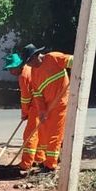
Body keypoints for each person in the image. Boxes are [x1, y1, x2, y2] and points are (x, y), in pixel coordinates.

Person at [23, 44, 72, 172]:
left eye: (29, 61)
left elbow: (74, 61)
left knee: (54, 135)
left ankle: (51, 165)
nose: (29, 65)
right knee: (44, 135)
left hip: (60, 103)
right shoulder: (34, 72)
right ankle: (45, 160)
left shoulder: (53, 58)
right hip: (47, 106)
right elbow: (38, 94)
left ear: (36, 56)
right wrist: (42, 111)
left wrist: (77, 70)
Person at [2, 53, 45, 171]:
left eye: (11, 69)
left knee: (29, 135)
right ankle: (40, 158)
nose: (10, 72)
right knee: (39, 133)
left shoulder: (23, 76)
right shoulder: (29, 69)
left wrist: (24, 113)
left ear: (18, 65)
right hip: (42, 104)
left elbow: (25, 97)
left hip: (36, 106)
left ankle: (26, 163)